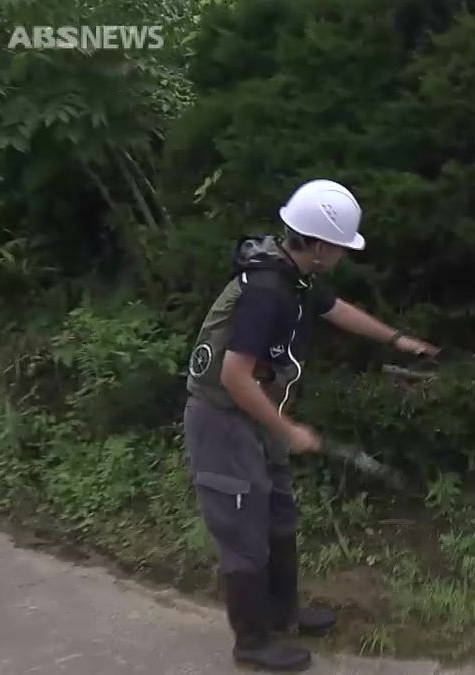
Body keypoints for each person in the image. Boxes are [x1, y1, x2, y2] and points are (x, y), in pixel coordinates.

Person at [182, 178, 440, 671]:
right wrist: (288, 431)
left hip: (260, 414)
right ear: (320, 246)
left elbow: (333, 308)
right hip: (223, 418)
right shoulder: (265, 291)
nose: (344, 253)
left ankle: (284, 611)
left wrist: (396, 339)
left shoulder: (294, 275)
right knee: (243, 529)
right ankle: (252, 643)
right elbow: (235, 377)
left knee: (278, 512)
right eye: (341, 246)